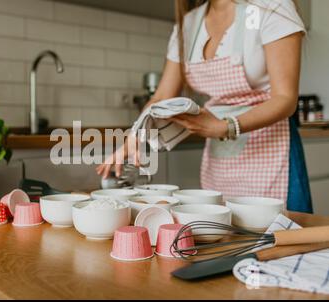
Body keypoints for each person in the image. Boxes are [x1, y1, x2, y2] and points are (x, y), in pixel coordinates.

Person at [96, 0, 313, 213]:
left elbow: (285, 98)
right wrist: (133, 137)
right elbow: (161, 95)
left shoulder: (270, 6)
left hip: (273, 154)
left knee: (283, 239)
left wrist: (226, 126)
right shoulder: (188, 24)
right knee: (224, 235)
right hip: (219, 157)